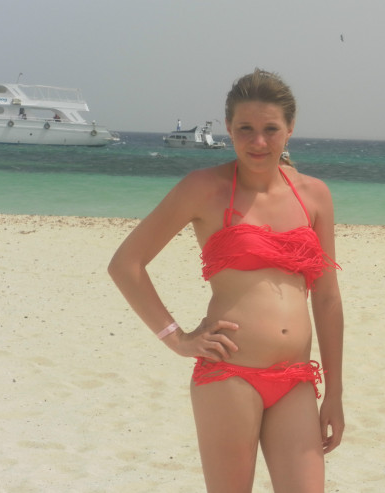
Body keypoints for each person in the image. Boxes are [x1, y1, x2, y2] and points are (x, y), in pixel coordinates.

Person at [108, 68, 344, 493]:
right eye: (245, 129)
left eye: (270, 129)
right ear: (229, 129)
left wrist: (336, 393)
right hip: (230, 375)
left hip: (295, 379)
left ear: (290, 128)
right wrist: (176, 338)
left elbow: (327, 298)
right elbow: (126, 264)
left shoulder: (315, 195)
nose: (258, 142)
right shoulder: (204, 188)